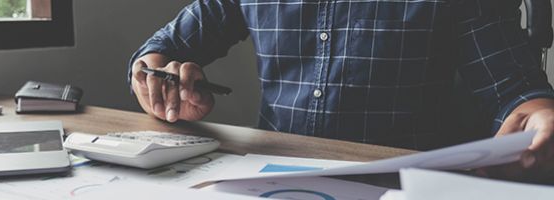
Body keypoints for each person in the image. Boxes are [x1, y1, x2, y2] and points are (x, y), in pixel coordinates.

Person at [128, 0, 554, 180]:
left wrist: (540, 114)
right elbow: (160, 52)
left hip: (398, 187)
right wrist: (153, 78)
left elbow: (515, 91)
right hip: (270, 181)